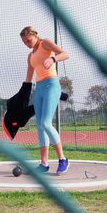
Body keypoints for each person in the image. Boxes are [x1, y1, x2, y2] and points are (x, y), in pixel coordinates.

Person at [20, 26, 70, 174]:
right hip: (39, 89)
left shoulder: (45, 43)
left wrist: (53, 58)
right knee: (40, 127)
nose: (27, 44)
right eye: (24, 42)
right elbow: (28, 79)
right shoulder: (30, 57)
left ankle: (63, 159)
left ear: (35, 35)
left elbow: (66, 54)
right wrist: (21, 96)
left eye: (28, 40)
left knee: (46, 123)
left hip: (52, 85)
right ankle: (44, 164)